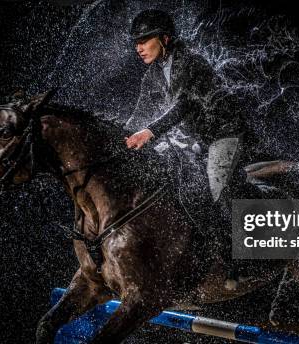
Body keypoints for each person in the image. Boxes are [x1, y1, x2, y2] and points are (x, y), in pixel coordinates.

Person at [123, 9, 249, 289]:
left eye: (144, 40)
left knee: (215, 188)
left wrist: (151, 131)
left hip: (222, 134)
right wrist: (122, 138)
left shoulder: (191, 62)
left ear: (165, 38)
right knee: (176, 185)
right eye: (136, 42)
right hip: (193, 136)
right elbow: (139, 114)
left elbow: (185, 105)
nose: (139, 48)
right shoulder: (152, 75)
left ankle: (238, 261)